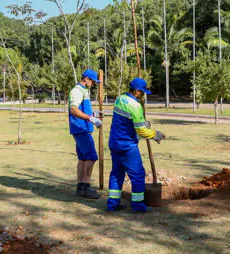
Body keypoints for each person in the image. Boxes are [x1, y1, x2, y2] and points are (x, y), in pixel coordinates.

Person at [106, 78, 166, 212]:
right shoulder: (136, 106)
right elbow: (141, 131)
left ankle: (112, 204)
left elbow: (125, 121)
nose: (143, 95)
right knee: (138, 175)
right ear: (137, 91)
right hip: (127, 146)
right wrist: (155, 134)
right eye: (142, 92)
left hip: (114, 143)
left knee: (116, 173)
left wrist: (142, 122)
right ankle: (138, 205)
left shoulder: (119, 99)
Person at [69, 69, 103, 199]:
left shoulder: (83, 91)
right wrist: (91, 119)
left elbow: (83, 109)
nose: (93, 84)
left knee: (83, 158)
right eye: (93, 81)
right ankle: (86, 187)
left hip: (82, 127)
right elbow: (74, 110)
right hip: (80, 128)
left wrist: (94, 115)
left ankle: (81, 187)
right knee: (91, 156)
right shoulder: (77, 91)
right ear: (86, 79)